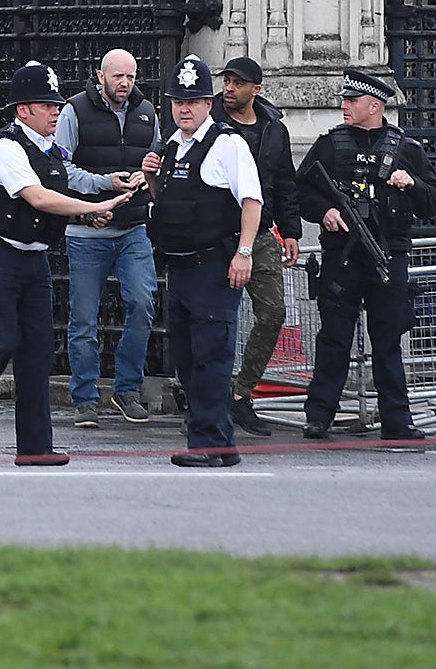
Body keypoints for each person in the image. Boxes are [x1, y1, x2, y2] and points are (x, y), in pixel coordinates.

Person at [0, 62, 135, 466]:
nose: (56, 111)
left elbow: (59, 197)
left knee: (36, 352)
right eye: (46, 105)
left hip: (33, 259)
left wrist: (89, 213)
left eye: (56, 104)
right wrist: (93, 206)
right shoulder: (5, 147)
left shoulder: (53, 151)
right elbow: (36, 198)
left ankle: (35, 446)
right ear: (23, 111)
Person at [297, 68, 436, 442]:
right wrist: (324, 212)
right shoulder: (329, 145)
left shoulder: (406, 149)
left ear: (374, 106)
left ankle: (397, 419)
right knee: (333, 339)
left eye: (352, 101)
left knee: (388, 340)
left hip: (387, 256)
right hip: (342, 257)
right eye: (345, 100)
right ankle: (319, 416)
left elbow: (433, 201)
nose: (344, 106)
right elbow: (302, 191)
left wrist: (411, 184)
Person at [146, 54, 263, 467]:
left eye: (192, 101)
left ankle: (206, 443)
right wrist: (150, 179)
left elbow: (252, 201)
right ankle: (222, 444)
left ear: (208, 104)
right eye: (178, 101)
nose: (184, 109)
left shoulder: (227, 144)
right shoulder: (171, 146)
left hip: (213, 267)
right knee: (190, 359)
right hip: (179, 267)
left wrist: (244, 252)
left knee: (212, 358)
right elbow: (170, 205)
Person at [56, 48, 160, 428]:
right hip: (86, 231)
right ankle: (85, 398)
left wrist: (145, 178)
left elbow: (156, 159)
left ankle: (126, 388)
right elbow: (61, 168)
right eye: (118, 76)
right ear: (100, 75)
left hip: (132, 227)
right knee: (84, 317)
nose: (125, 84)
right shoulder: (74, 110)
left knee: (143, 301)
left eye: (130, 77)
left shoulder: (147, 112)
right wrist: (104, 185)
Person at [213, 57, 300, 436]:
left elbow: (284, 182)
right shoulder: (209, 123)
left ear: (256, 89)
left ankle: (241, 395)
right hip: (216, 233)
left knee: (272, 313)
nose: (229, 88)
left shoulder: (273, 129)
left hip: (262, 233)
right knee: (214, 320)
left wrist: (292, 230)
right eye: (227, 80)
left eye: (238, 82)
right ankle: (209, 402)